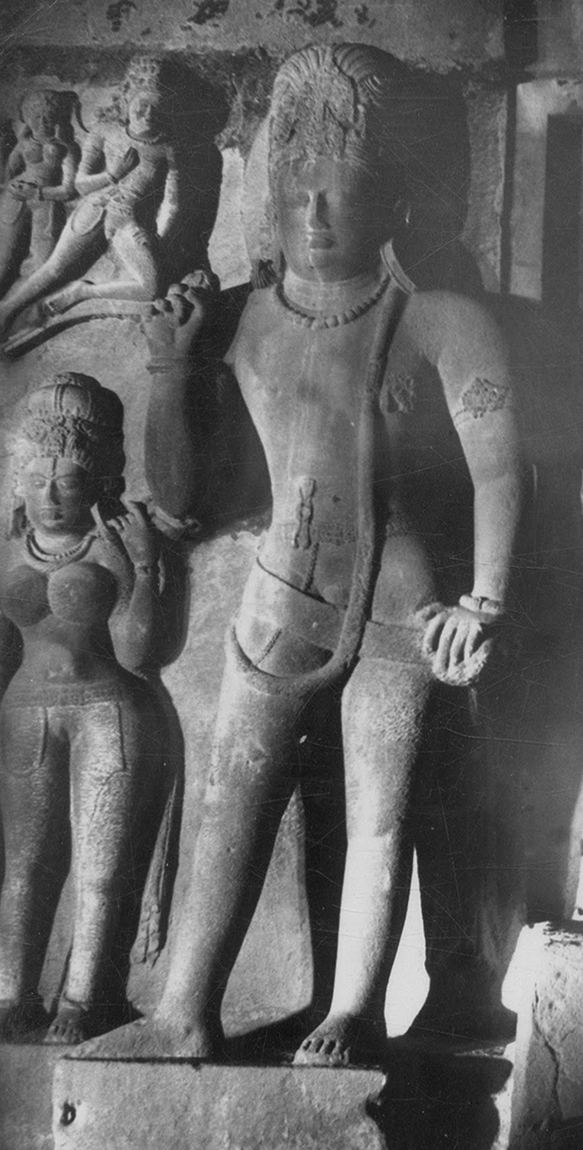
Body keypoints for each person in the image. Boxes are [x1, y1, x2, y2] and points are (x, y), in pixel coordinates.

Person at [79, 43, 522, 1068]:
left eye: (340, 188)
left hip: (403, 605)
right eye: (295, 187)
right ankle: (185, 1006)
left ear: (395, 202)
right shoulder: (243, 322)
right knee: (230, 799)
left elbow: (503, 470)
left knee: (380, 813)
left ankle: (355, 1009)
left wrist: (486, 603)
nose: (313, 211)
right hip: (280, 592)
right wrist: (172, 372)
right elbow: (185, 500)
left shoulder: (443, 323)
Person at [0, 373, 166, 1045]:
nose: (48, 495)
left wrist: (146, 567)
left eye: (66, 482)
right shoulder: (10, 547)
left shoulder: (113, 545)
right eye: (36, 479)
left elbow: (138, 650)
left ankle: (84, 997)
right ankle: (12, 994)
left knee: (99, 867)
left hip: (108, 712)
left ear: (98, 483)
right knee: (23, 866)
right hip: (24, 713)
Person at [0, 58, 182, 337]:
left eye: (156, 108)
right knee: (54, 269)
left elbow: (173, 201)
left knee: (151, 288)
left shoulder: (167, 149)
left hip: (128, 223)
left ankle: (82, 292)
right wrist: (112, 175)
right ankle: (6, 310)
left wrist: (159, 235)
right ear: (127, 103)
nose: (147, 114)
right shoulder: (105, 132)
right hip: (94, 209)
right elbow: (81, 184)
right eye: (142, 106)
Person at [0, 90, 80, 298]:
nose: (43, 122)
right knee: (4, 256)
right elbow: (9, 171)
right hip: (16, 196)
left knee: (41, 264)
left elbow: (69, 190)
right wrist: (10, 188)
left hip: (48, 201)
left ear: (58, 118)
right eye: (36, 117)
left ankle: (14, 307)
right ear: (27, 118)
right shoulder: (24, 143)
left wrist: (37, 192)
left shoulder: (68, 149)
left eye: (49, 117)